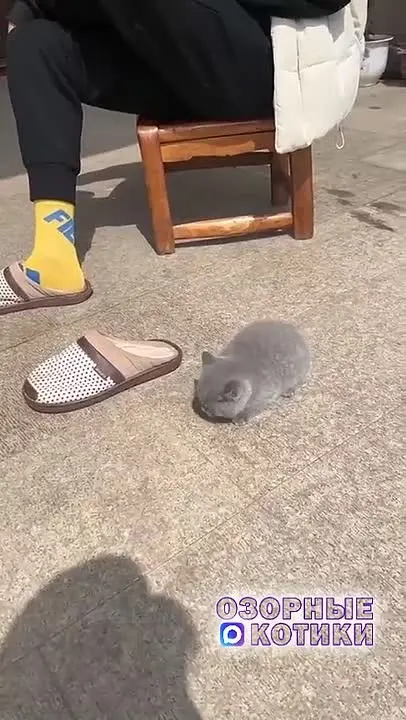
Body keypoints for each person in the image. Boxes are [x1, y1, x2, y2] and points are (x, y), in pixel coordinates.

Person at [2, 0, 352, 314]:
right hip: (171, 67)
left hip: (257, 70)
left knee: (33, 14)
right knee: (35, 42)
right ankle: (54, 256)